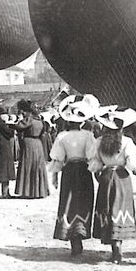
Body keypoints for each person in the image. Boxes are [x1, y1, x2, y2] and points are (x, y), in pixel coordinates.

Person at [88, 107, 136, 264]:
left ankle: (113, 245)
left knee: (107, 208)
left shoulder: (99, 142)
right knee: (120, 209)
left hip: (106, 177)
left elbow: (95, 163)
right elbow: (133, 163)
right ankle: (119, 243)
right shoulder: (126, 142)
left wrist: (98, 172)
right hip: (121, 177)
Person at [49, 95, 99, 256]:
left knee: (69, 202)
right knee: (83, 201)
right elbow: (92, 156)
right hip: (83, 171)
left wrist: (55, 176)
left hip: (69, 171)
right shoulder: (88, 135)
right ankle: (80, 232)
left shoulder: (61, 136)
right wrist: (96, 171)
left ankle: (73, 241)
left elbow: (57, 158)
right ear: (82, 120)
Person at [13, 100, 50, 199]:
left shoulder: (29, 120)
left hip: (29, 143)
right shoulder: (40, 121)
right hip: (38, 143)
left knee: (27, 165)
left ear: (28, 111)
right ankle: (39, 191)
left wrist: (19, 119)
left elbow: (18, 126)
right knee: (37, 166)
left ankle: (27, 191)